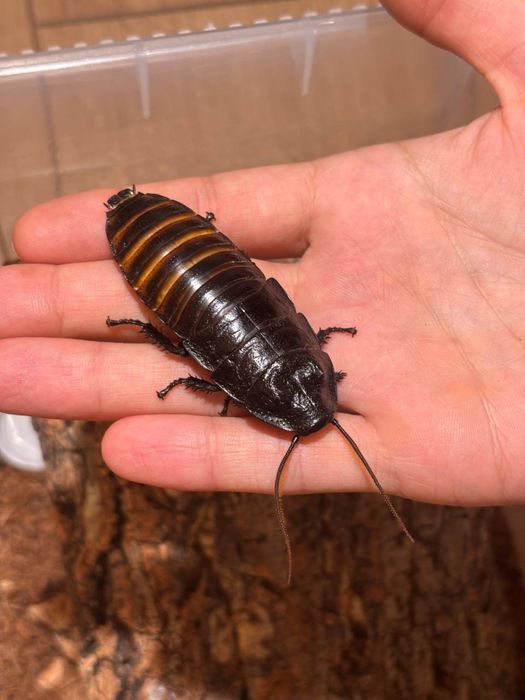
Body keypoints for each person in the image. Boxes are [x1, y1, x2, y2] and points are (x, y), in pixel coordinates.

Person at [1, 0, 524, 507]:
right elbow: (203, 365)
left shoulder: (297, 360)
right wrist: (177, 369)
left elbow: (241, 350)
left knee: (187, 352)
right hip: (180, 267)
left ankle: (154, 298)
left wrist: (173, 363)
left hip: (204, 267)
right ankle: (149, 294)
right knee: (185, 352)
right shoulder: (250, 378)